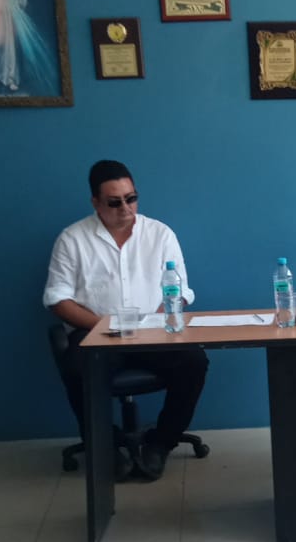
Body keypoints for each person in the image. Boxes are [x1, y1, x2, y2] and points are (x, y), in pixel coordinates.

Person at [43, 159, 208, 480]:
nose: (125, 208)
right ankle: (105, 446)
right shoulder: (72, 239)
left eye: (131, 198)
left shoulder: (159, 234)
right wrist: (103, 326)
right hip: (96, 332)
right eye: (114, 202)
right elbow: (57, 300)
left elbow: (181, 292)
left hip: (153, 331)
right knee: (78, 368)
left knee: (194, 362)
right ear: (96, 202)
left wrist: (155, 321)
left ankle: (161, 443)